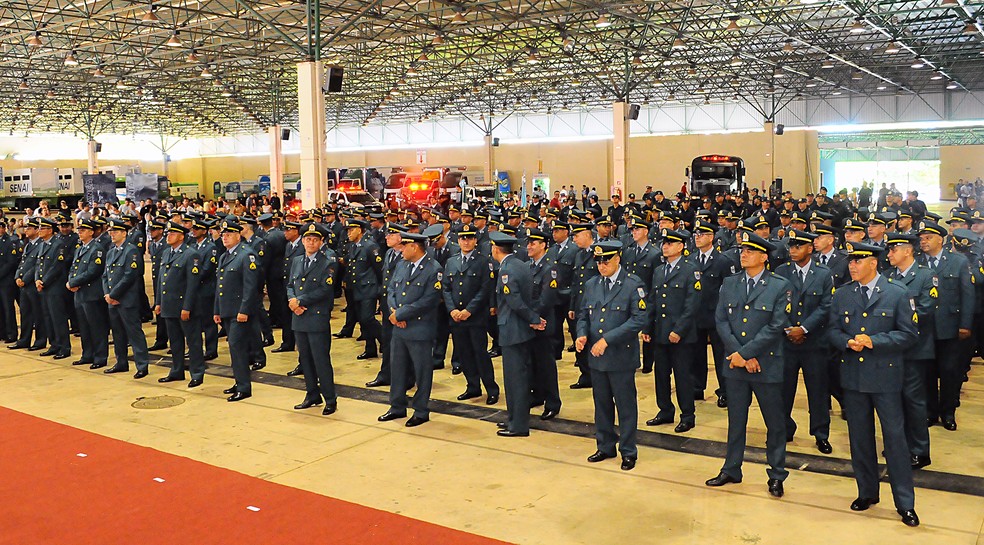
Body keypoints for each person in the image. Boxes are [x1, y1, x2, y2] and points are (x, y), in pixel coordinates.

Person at [828, 241, 920, 527]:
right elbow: (832, 330)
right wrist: (845, 341)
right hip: (854, 378)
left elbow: (909, 334)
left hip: (886, 378)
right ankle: (867, 492)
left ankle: (905, 503)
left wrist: (874, 341)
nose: (851, 265)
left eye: (858, 260)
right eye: (850, 261)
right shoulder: (843, 294)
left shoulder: (897, 293)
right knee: (859, 439)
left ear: (873, 263)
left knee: (895, 441)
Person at [706, 231, 790, 498]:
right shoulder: (730, 283)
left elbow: (777, 326)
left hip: (766, 364)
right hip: (736, 363)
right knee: (736, 420)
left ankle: (776, 474)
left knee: (774, 423)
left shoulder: (780, 285)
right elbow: (721, 321)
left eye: (750, 251)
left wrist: (749, 354)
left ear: (764, 257)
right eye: (742, 250)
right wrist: (740, 354)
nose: (743, 254)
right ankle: (732, 468)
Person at [576, 240, 647, 470]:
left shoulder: (632, 285)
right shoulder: (592, 284)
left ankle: (628, 450)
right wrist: (581, 334)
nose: (601, 265)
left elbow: (638, 319)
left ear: (618, 258)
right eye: (598, 260)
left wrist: (608, 339)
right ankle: (605, 445)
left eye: (606, 260)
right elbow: (583, 315)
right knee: (601, 404)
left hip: (620, 356)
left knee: (625, 406)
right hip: (596, 357)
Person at [774, 230, 834, 454]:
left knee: (818, 391)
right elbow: (776, 303)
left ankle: (820, 434)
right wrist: (790, 329)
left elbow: (826, 305)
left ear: (810, 248)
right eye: (791, 246)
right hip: (786, 341)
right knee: (784, 390)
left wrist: (804, 328)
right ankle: (783, 430)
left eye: (798, 246)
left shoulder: (824, 273)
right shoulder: (781, 271)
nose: (792, 250)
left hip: (814, 342)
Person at [378, 231, 443, 427]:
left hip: (420, 328)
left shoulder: (433, 269)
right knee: (397, 369)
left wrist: (402, 314)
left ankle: (421, 410)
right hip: (399, 327)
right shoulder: (401, 264)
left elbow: (429, 300)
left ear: (415, 247)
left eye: (404, 246)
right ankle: (396, 406)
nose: (401, 249)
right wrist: (394, 312)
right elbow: (391, 290)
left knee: (422, 371)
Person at [884, 232, 937, 470]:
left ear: (908, 251)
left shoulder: (925, 276)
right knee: (892, 400)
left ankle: (919, 450)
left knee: (914, 401)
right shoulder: (887, 277)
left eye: (894, 250)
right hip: (890, 349)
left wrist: (892, 325)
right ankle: (898, 444)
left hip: (914, 348)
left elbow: (925, 311)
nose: (889, 254)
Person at [643, 228, 701, 433]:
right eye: (663, 243)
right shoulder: (660, 270)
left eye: (670, 243)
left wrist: (679, 330)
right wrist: (647, 326)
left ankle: (687, 415)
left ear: (680, 246)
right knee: (661, 374)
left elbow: (692, 304)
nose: (664, 246)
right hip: (660, 332)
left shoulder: (690, 270)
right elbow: (653, 301)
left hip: (681, 335)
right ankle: (665, 410)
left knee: (682, 375)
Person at [917, 220, 973, 431]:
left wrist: (965, 324)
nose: (923, 242)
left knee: (950, 372)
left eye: (928, 238)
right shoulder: (918, 262)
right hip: (925, 329)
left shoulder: (957, 262)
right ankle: (930, 412)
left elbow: (967, 296)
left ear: (940, 240)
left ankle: (948, 412)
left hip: (950, 328)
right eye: (921, 239)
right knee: (927, 373)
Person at [490, 231, 545, 437]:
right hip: (519, 329)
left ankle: (519, 425)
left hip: (513, 329)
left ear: (496, 249)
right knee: (515, 378)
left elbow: (515, 302)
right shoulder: (520, 265)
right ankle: (513, 418)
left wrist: (534, 319)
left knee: (516, 380)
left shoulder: (507, 270)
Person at [443, 223, 499, 404]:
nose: (466, 242)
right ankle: (472, 386)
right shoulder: (451, 261)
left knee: (480, 354)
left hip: (475, 317)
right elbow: (446, 288)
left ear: (475, 240)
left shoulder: (483, 262)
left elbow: (485, 289)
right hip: (456, 318)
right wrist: (452, 309)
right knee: (464, 354)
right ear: (458, 240)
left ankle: (491, 388)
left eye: (470, 238)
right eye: (462, 238)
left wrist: (469, 310)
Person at [288, 223, 340, 415]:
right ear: (302, 241)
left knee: (320, 360)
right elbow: (290, 284)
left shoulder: (327, 263)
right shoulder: (297, 260)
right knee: (305, 359)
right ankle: (311, 394)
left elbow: (325, 290)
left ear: (321, 242)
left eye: (315, 240)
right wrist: (292, 300)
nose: (311, 242)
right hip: (298, 317)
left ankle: (330, 398)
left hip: (316, 317)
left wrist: (299, 300)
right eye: (308, 239)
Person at [214, 218, 261, 402]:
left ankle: (244, 387)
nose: (224, 237)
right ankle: (238, 380)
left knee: (237, 347)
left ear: (238, 235)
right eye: (223, 234)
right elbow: (220, 286)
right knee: (233, 349)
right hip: (227, 310)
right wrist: (217, 309)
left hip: (239, 312)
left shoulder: (246, 255)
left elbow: (250, 287)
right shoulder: (225, 256)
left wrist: (244, 310)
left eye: (229, 234)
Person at [154, 222, 205, 388]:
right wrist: (158, 302)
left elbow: (193, 284)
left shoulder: (191, 255)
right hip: (169, 305)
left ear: (182, 236)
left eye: (173, 234)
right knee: (175, 342)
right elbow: (161, 281)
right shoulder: (166, 253)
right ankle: (176, 370)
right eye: (168, 233)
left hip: (184, 306)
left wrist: (187, 307)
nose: (168, 236)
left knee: (193, 341)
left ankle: (197, 372)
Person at [102, 219, 151, 379]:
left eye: (115, 231)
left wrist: (114, 294)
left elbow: (130, 275)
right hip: (112, 300)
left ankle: (142, 364)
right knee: (118, 334)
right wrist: (107, 294)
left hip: (126, 299)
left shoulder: (131, 251)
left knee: (134, 332)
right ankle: (121, 362)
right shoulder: (111, 251)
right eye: (111, 231)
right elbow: (105, 276)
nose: (112, 234)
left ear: (124, 233)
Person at [66, 219, 108, 369]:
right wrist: (71, 281)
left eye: (83, 230)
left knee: (96, 326)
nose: (80, 232)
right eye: (79, 230)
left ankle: (100, 356)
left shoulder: (97, 249)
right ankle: (87, 354)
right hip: (80, 294)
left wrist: (74, 282)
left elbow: (93, 271)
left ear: (91, 232)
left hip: (91, 294)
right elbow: (73, 268)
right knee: (84, 327)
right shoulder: (80, 248)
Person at [34, 217, 72, 359]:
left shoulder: (58, 245)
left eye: (42, 228)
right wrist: (37, 279)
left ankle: (64, 347)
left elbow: (57, 267)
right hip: (44, 287)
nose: (40, 231)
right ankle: (54, 344)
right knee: (48, 317)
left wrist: (43, 281)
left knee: (58, 318)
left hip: (55, 287)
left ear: (50, 230)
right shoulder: (42, 244)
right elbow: (38, 264)